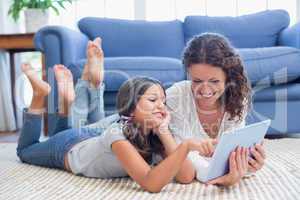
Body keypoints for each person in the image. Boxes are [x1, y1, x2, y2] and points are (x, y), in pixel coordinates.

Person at [16, 38, 217, 193]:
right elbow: (150, 182)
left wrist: (165, 133)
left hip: (91, 136)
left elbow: (186, 176)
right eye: (153, 100)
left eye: (163, 101)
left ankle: (71, 98)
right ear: (131, 108)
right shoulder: (118, 135)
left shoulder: (154, 133)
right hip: (68, 148)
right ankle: (39, 96)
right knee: (25, 151)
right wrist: (185, 146)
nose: (162, 107)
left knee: (66, 130)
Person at [166, 33, 265, 186]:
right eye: (197, 80)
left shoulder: (238, 97)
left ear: (228, 78)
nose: (205, 90)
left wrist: (247, 164)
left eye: (214, 81)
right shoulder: (176, 96)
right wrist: (218, 176)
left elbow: (233, 151)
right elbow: (184, 156)